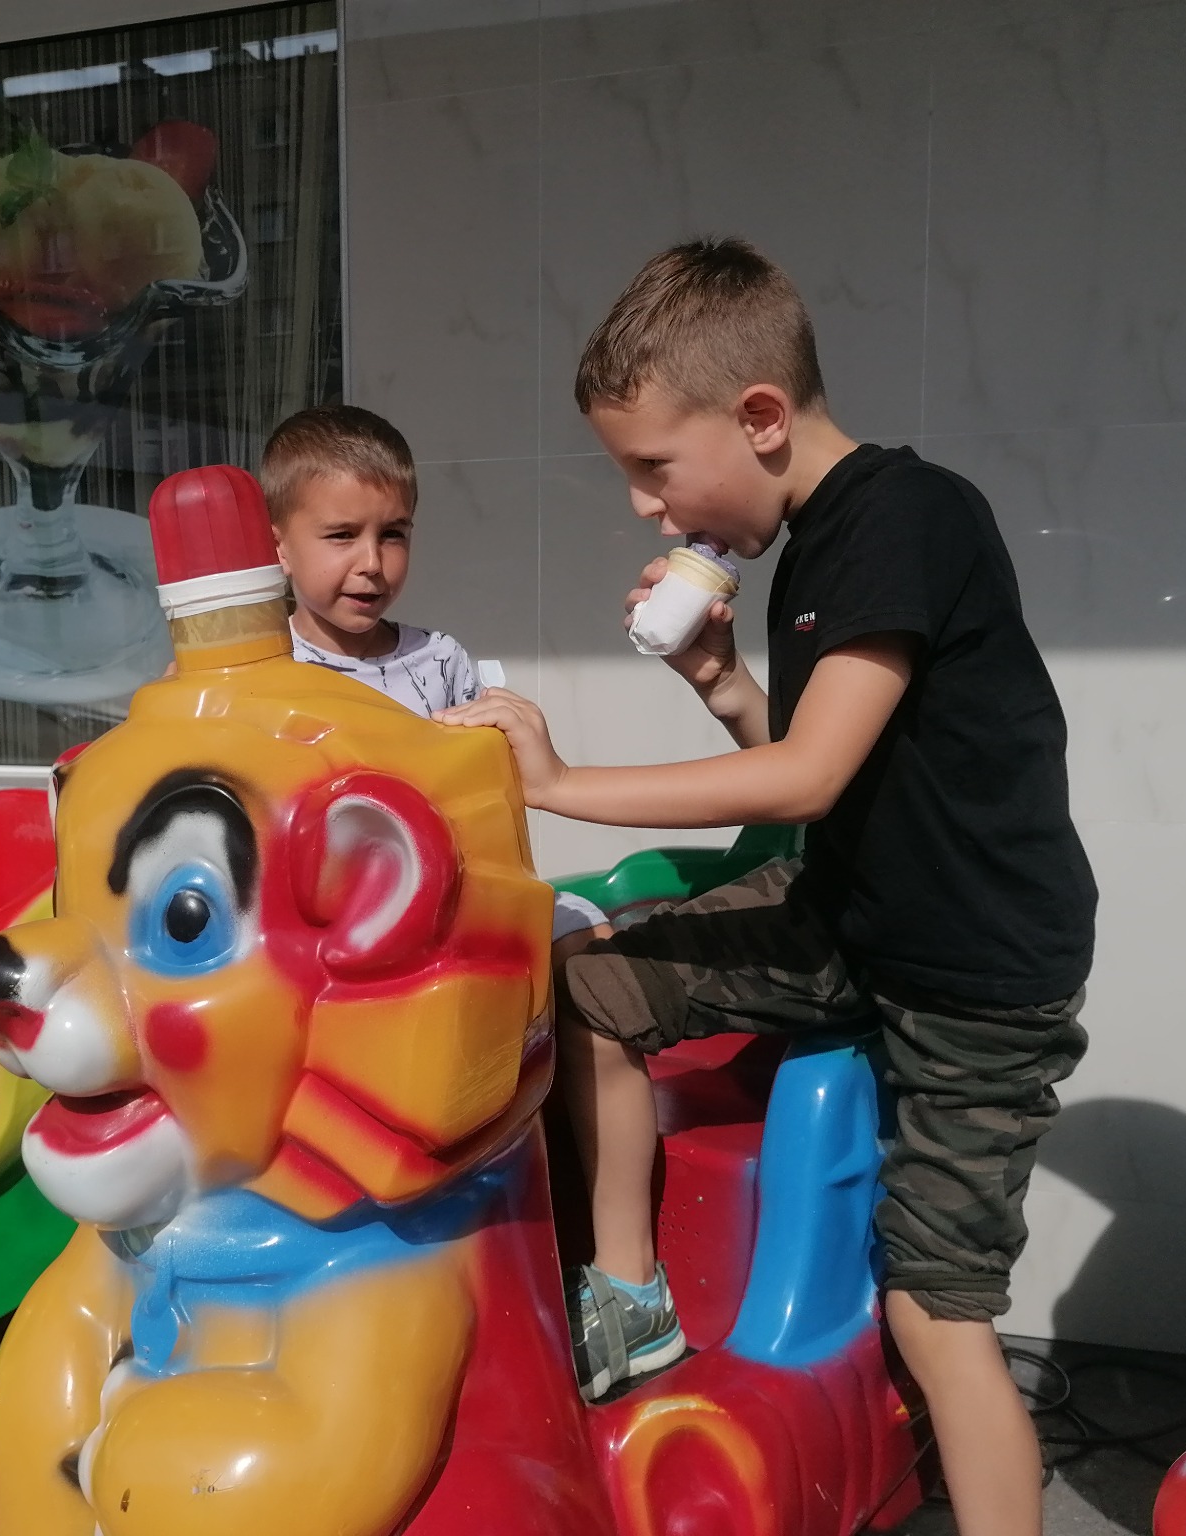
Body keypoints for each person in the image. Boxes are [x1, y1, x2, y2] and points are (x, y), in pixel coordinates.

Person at [438, 239, 1095, 1536]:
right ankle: (627, 1300)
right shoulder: (815, 556)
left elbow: (801, 782)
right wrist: (723, 684)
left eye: (652, 468)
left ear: (759, 418)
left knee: (936, 1310)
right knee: (585, 980)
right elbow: (812, 770)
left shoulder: (907, 519)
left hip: (976, 977)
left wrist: (562, 780)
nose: (644, 504)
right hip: (852, 913)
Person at [261, 403, 608, 947]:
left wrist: (510, 742)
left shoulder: (440, 660)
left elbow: (488, 796)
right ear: (278, 545)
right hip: (327, 928)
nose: (372, 562)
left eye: (393, 534)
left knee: (585, 929)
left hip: (459, 895)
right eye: (341, 535)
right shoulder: (266, 671)